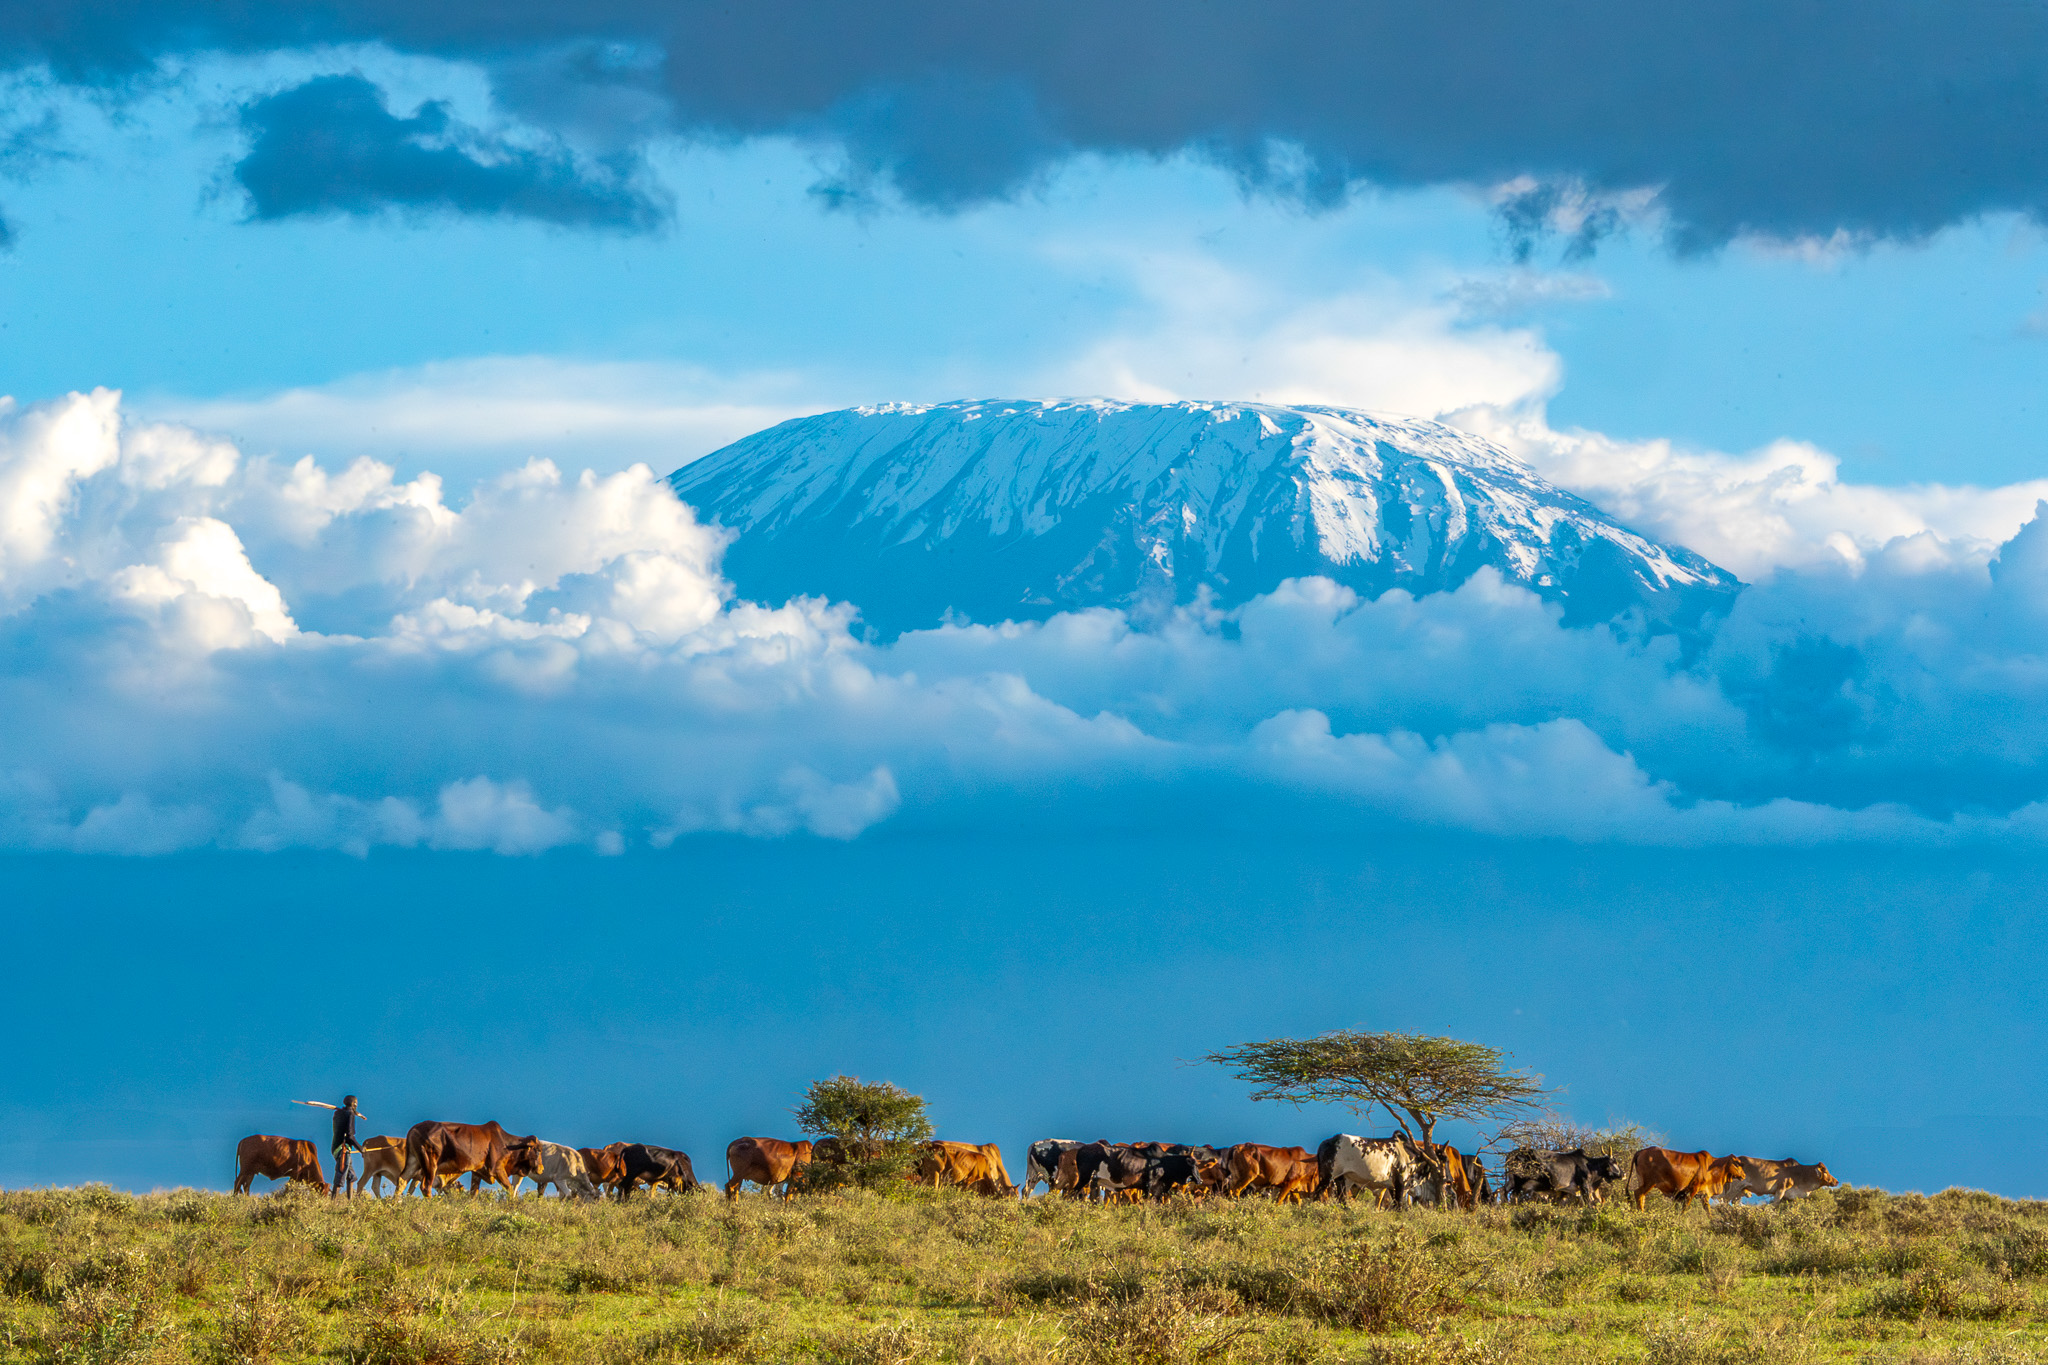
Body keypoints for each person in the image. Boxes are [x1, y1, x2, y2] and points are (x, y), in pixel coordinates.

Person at [330, 1095, 363, 1198]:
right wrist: (361, 1149)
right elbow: (350, 1136)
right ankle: (333, 1202)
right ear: (354, 1104)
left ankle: (349, 1202)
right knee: (340, 1174)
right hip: (343, 1149)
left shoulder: (337, 1113)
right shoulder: (350, 1114)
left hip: (336, 1148)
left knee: (351, 1176)